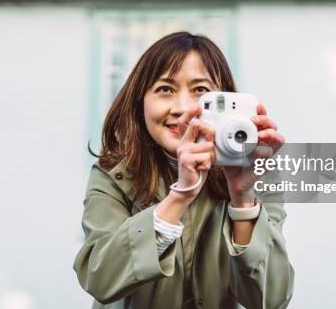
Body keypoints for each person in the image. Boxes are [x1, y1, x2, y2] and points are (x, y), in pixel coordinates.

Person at [73, 31, 294, 308]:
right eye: (165, 89)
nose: (182, 108)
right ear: (140, 101)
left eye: (200, 91)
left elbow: (271, 299)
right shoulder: (113, 174)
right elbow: (100, 278)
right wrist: (180, 196)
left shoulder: (255, 173)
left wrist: (242, 198)